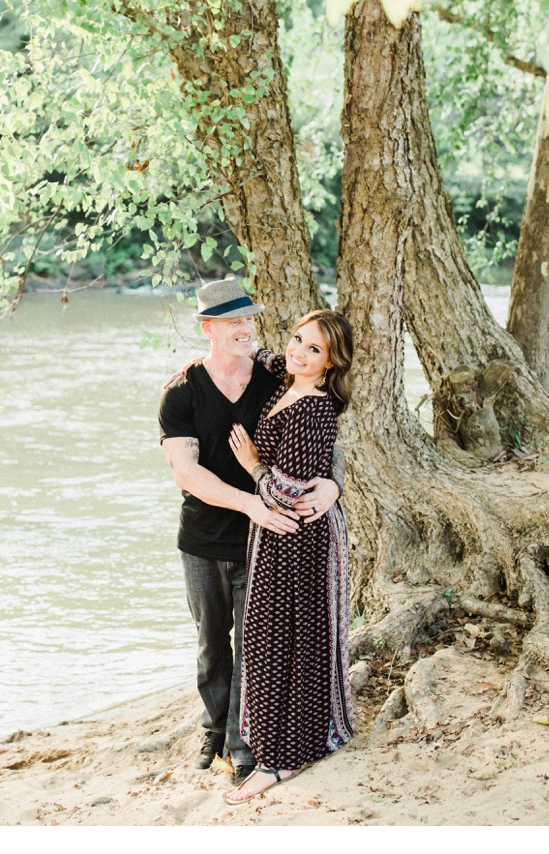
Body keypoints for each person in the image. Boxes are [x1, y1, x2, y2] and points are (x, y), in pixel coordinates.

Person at [157, 279, 342, 784]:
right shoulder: (181, 391)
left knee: (256, 642)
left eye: (249, 319)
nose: (245, 328)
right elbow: (186, 472)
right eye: (233, 320)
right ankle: (212, 729)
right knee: (212, 642)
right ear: (208, 327)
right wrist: (251, 504)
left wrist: (333, 485)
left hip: (267, 541)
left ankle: (243, 743)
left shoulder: (273, 373)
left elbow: (321, 423)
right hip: (202, 538)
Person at [222, 308, 357, 805]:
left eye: (314, 349)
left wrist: (253, 464)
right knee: (272, 639)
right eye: (298, 340)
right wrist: (199, 363)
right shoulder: (289, 375)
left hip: (301, 538)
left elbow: (287, 493)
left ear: (331, 363)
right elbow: (260, 354)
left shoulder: (315, 409)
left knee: (284, 643)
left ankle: (278, 762)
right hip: (278, 536)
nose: (298, 352)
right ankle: (288, 746)